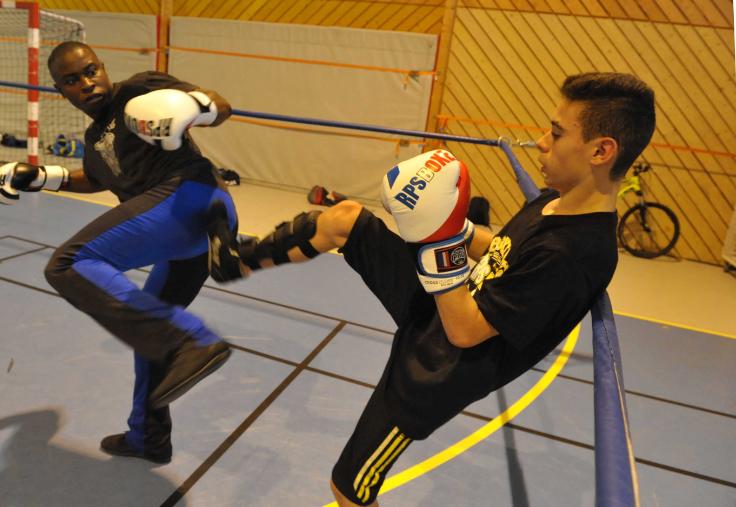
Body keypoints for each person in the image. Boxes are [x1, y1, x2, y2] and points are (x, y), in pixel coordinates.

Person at [215, 72, 655, 505]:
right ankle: (235, 262)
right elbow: (500, 247)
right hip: (442, 311)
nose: (541, 141)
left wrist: (440, 243)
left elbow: (466, 331)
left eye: (556, 134)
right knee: (346, 220)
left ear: (601, 150)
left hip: (441, 366)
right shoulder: (552, 202)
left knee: (349, 487)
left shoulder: (576, 253)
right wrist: (452, 225)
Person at [0, 41, 242, 465]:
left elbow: (222, 105)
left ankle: (190, 339)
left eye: (90, 71)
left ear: (103, 68)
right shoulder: (94, 137)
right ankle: (149, 438)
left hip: (193, 198)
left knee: (69, 264)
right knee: (149, 337)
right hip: (183, 238)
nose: (86, 84)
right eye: (72, 80)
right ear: (60, 90)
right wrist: (43, 178)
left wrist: (195, 105)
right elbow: (96, 177)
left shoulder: (137, 91)